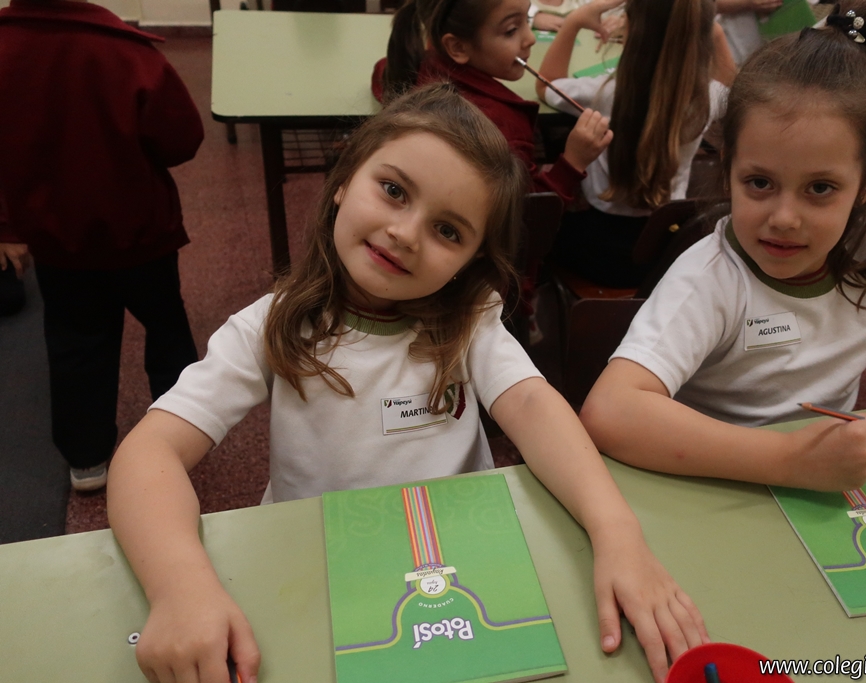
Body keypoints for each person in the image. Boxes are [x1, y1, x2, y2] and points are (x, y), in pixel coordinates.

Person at [107, 85, 707, 683]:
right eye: (393, 191)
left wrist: (616, 532)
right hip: (315, 568)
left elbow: (532, 404)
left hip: (457, 561)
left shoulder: (471, 319)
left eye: (448, 230)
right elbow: (148, 453)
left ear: (471, 260)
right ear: (343, 181)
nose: (406, 233)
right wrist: (179, 588)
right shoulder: (271, 325)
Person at [580, 0, 866, 494]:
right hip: (716, 484)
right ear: (729, 169)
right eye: (759, 183)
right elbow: (611, 411)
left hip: (822, 484)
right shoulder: (710, 276)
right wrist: (787, 461)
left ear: (865, 181)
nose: (784, 218)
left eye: (820, 188)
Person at [0, 0, 203, 491]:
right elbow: (182, 139)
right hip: (141, 234)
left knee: (75, 340)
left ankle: (87, 458)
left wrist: (7, 226)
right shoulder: (127, 52)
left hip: (56, 237)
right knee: (167, 327)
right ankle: (185, 434)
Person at [535, 0, 735, 288]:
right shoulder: (707, 98)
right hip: (661, 248)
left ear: (630, 28)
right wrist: (711, 29)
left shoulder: (603, 93)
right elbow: (732, 92)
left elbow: (545, 84)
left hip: (594, 247)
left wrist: (574, 21)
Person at [370, 0, 613, 207]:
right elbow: (525, 217)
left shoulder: (419, 64)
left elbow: (383, 69)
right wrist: (573, 162)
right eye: (511, 30)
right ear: (457, 47)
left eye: (526, 21)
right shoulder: (503, 129)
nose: (530, 38)